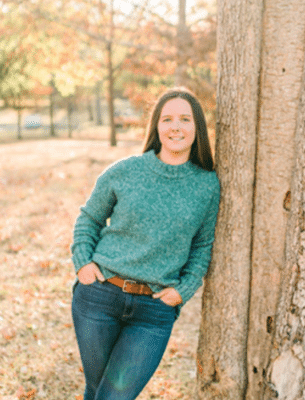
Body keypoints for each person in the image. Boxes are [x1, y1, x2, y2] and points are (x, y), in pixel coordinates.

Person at [71, 87, 220, 400]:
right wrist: (83, 262)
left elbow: (203, 246)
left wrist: (185, 289)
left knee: (112, 396)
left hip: (153, 312)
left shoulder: (207, 185)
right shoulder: (125, 171)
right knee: (99, 391)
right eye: (167, 119)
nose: (175, 127)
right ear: (157, 127)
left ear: (197, 128)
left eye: (184, 119)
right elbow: (89, 219)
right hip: (99, 295)